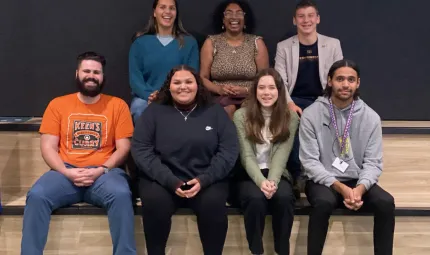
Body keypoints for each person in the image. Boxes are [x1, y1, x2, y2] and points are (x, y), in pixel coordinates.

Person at [21, 52, 136, 255]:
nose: (91, 76)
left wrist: (102, 169)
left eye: (96, 72)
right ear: (77, 74)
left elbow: (124, 147)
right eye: (86, 71)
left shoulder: (118, 106)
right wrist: (66, 172)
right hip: (65, 172)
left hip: (105, 174)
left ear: (103, 77)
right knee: (37, 196)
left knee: (121, 195)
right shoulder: (58, 104)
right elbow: (47, 147)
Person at [131, 65, 239, 255]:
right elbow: (141, 150)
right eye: (177, 82)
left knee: (213, 205)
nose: (183, 87)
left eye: (189, 82)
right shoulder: (154, 112)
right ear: (169, 86)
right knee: (155, 204)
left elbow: (228, 150)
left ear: (197, 85)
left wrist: (204, 179)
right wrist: (171, 181)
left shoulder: (215, 112)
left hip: (206, 179)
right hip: (163, 180)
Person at [299, 59, 395, 255]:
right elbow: (309, 161)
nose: (345, 84)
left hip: (356, 180)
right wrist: (341, 188)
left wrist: (359, 189)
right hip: (322, 180)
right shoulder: (311, 114)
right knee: (323, 203)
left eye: (351, 80)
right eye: (340, 79)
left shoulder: (371, 117)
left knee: (386, 202)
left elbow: (373, 162)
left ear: (358, 83)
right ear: (329, 81)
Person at [274, 0, 343, 180]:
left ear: (318, 19)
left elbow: (339, 77)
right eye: (301, 16)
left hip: (323, 99)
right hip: (294, 99)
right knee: (292, 121)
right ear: (294, 20)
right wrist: (289, 103)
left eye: (310, 15)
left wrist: (329, 102)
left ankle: (329, 171)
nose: (306, 20)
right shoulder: (284, 46)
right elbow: (280, 81)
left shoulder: (333, 44)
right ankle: (298, 174)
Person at [233, 68, 299, 255]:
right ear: (255, 91)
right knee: (254, 199)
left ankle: (282, 250)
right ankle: (256, 251)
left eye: (271, 87)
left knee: (284, 198)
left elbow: (282, 153)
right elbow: (246, 155)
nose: (266, 92)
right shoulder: (241, 115)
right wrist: (262, 182)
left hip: (277, 172)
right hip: (249, 173)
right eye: (261, 87)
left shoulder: (290, 116)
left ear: (280, 91)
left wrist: (272, 182)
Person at [129, 0, 199, 123]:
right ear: (154, 12)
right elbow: (135, 78)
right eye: (162, 7)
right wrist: (149, 96)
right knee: (139, 107)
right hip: (147, 99)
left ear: (176, 13)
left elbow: (192, 75)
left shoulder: (189, 43)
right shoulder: (140, 43)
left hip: (180, 96)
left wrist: (168, 96)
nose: (167, 11)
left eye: (172, 8)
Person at [200, 0, 269, 119]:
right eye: (229, 13)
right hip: (219, 97)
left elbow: (266, 79)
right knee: (228, 109)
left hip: (251, 96)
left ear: (245, 18)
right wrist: (219, 89)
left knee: (245, 112)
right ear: (222, 19)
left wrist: (246, 90)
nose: (234, 17)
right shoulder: (211, 42)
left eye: (239, 13)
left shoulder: (256, 42)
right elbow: (202, 78)